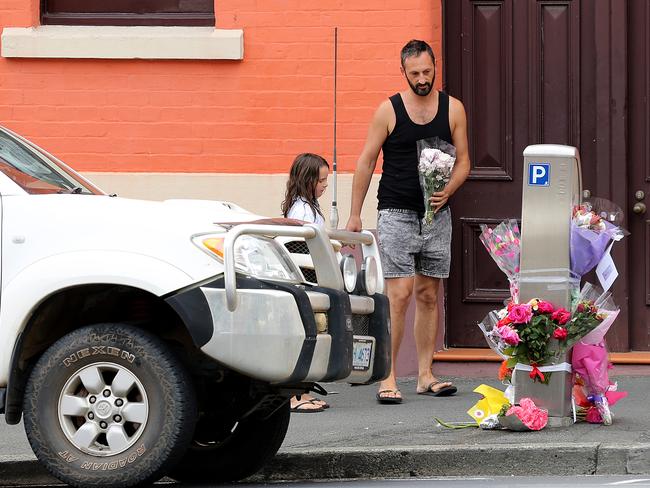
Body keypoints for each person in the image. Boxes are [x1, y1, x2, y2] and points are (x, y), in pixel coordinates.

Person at [345, 39, 471, 404]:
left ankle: (426, 374)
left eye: (427, 72)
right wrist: (356, 214)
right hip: (396, 212)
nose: (422, 79)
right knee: (398, 295)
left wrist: (449, 189)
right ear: (403, 72)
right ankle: (388, 376)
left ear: (436, 68)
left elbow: (463, 160)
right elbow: (367, 161)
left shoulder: (453, 109)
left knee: (429, 294)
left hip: (437, 214)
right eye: (414, 73)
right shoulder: (388, 110)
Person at [281, 152, 331, 412]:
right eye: (321, 180)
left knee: (312, 332)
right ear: (307, 179)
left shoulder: (306, 206)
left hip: (309, 278)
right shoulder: (302, 209)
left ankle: (303, 392)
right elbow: (304, 244)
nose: (324, 185)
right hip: (306, 279)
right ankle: (296, 396)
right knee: (307, 333)